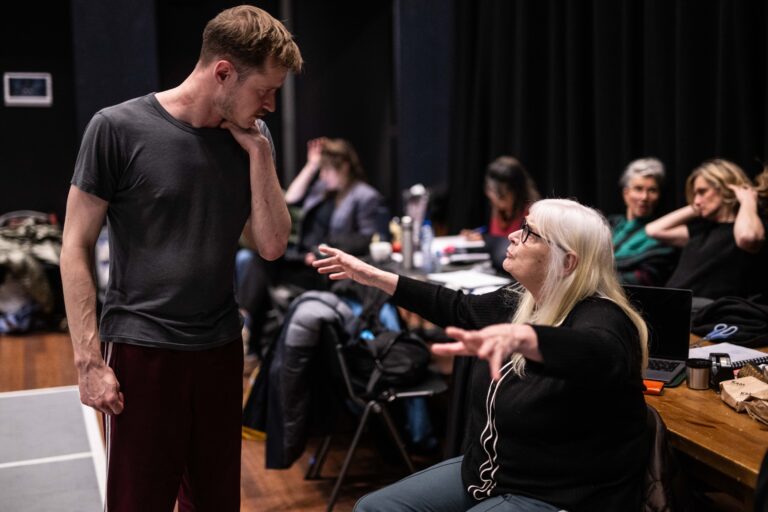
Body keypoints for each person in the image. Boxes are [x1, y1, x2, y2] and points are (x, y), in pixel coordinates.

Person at [59, 6, 302, 511]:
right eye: (265, 91)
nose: (272, 106)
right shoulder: (116, 128)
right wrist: (87, 358)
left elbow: (273, 244)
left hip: (218, 350)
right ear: (223, 72)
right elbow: (75, 246)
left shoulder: (252, 139)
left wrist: (261, 156)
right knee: (139, 502)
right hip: (142, 350)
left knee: (214, 503)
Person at [314, 198, 650, 511]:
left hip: (554, 493)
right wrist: (372, 277)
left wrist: (526, 337)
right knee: (374, 508)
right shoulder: (522, 298)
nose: (514, 235)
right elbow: (458, 308)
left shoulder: (605, 319)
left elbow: (597, 355)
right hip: (488, 474)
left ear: (567, 262)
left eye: (531, 234)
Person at [235, 136, 383, 355]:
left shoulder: (364, 196)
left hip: (322, 264)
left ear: (343, 166)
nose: (321, 175)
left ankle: (250, 337)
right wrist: (311, 165)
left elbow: (366, 239)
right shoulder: (322, 191)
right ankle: (251, 335)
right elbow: (291, 199)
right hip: (301, 258)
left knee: (259, 265)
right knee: (255, 258)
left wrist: (321, 251)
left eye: (325, 170)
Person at [645, 159, 767, 306]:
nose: (696, 200)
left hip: (709, 314)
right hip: (674, 306)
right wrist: (696, 207)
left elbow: (748, 237)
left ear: (725, 188)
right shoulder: (701, 230)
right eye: (694, 194)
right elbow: (653, 230)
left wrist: (748, 200)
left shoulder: (750, 228)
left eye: (702, 192)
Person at [461, 156, 540, 272]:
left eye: (502, 195)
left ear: (517, 190)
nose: (496, 199)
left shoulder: (532, 214)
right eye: (492, 192)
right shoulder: (497, 208)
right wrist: (482, 238)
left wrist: (490, 241)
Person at [608, 157, 677, 286]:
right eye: (638, 189)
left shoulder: (662, 237)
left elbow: (646, 279)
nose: (644, 197)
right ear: (626, 193)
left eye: (652, 190)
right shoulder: (609, 224)